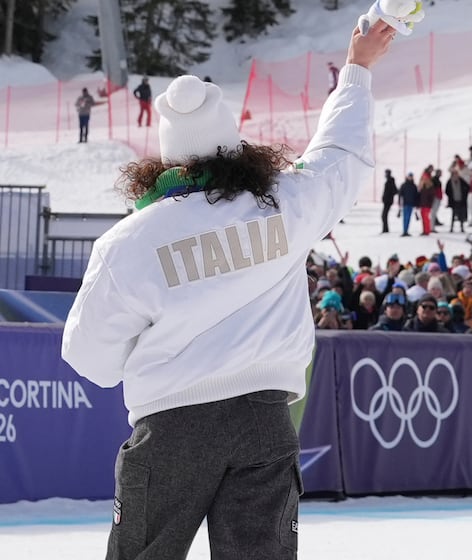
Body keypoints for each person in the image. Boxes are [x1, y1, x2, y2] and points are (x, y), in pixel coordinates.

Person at [60, 20, 396, 560]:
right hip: (265, 421)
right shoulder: (284, 203)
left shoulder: (130, 241)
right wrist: (356, 68)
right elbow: (341, 154)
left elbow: (89, 358)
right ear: (233, 142)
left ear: (168, 155)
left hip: (171, 426)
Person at [399, 171, 419, 236]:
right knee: (405, 218)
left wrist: (416, 204)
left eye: (411, 176)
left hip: (411, 204)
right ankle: (405, 231)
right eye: (409, 176)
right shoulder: (404, 185)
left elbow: (416, 196)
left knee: (408, 218)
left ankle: (406, 231)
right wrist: (400, 204)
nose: (410, 177)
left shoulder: (414, 186)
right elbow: (400, 195)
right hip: (405, 204)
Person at [381, 168, 398, 233]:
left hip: (388, 201)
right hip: (387, 201)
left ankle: (385, 230)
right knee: (383, 216)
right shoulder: (389, 180)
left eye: (386, 173)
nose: (385, 174)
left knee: (384, 216)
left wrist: (388, 196)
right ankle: (385, 229)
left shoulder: (390, 181)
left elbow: (395, 191)